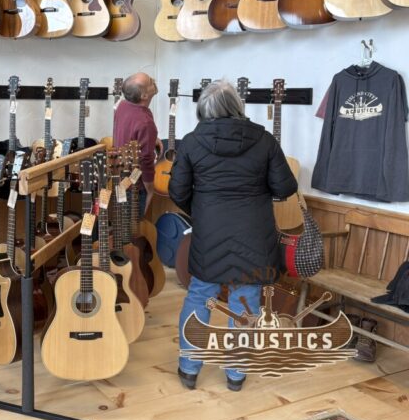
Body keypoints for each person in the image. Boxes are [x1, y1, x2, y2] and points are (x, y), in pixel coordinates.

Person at [168, 80, 297, 392]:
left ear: (204, 111)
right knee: (246, 300)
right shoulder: (264, 140)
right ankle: (236, 374)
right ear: (237, 106)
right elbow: (285, 188)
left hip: (209, 231)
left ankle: (189, 368)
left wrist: (202, 210)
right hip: (254, 233)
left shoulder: (192, 141)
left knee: (200, 295)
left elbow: (177, 192)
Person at [113, 72, 163, 216]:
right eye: (150, 82)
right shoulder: (146, 123)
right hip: (135, 187)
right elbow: (145, 160)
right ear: (144, 96)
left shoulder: (122, 105)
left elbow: (129, 128)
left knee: (122, 222)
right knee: (133, 231)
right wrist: (150, 190)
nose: (154, 80)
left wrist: (152, 138)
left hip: (120, 176)